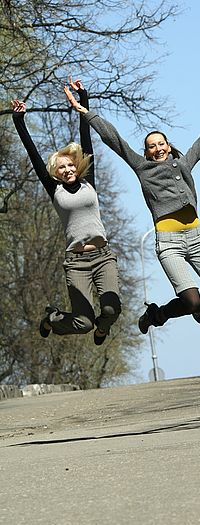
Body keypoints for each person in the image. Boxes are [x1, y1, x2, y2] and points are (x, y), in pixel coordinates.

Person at [64, 86, 200, 333]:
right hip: (169, 243)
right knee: (190, 300)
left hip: (197, 238)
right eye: (151, 146)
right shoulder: (142, 167)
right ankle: (157, 314)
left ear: (168, 146)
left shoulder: (184, 163)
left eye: (161, 144)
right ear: (146, 152)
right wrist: (86, 112)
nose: (157, 148)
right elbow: (113, 139)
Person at [11, 78, 122, 346]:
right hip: (76, 262)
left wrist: (83, 98)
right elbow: (34, 154)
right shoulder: (54, 189)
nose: (68, 170)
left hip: (103, 256)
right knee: (83, 322)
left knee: (110, 310)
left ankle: (102, 329)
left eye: (70, 165)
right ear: (55, 172)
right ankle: (52, 319)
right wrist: (19, 121)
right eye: (61, 167)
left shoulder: (89, 180)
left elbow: (86, 136)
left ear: (77, 165)